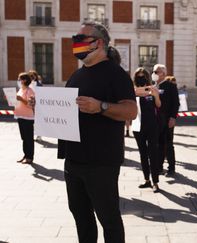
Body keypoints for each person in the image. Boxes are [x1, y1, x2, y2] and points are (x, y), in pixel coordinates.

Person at [58, 21, 136, 243]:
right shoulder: (77, 74)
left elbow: (131, 110)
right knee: (81, 216)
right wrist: (41, 106)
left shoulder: (116, 74)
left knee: (108, 218)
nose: (76, 43)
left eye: (80, 38)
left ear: (98, 43)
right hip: (73, 159)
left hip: (101, 161)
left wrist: (100, 106)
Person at [132, 67, 161, 193]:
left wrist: (156, 95)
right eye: (138, 76)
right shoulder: (132, 90)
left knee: (153, 153)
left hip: (151, 126)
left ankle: (155, 182)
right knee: (143, 153)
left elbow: (159, 105)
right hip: (137, 126)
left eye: (143, 76)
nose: (141, 78)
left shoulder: (152, 88)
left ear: (147, 77)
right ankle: (146, 180)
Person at [152, 64, 180, 176]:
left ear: (163, 73)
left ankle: (171, 168)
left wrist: (173, 117)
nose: (154, 73)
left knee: (168, 144)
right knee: (158, 144)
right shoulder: (153, 86)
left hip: (167, 119)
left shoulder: (170, 86)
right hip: (155, 120)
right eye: (153, 71)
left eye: (156, 71)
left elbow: (175, 103)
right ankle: (159, 167)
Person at [15, 72, 35, 164]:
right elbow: (16, 101)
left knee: (29, 138)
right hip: (20, 116)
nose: (18, 81)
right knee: (24, 138)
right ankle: (26, 155)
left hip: (28, 117)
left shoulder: (30, 91)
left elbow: (31, 104)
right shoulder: (20, 90)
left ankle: (30, 157)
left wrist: (21, 99)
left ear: (24, 80)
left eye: (19, 79)